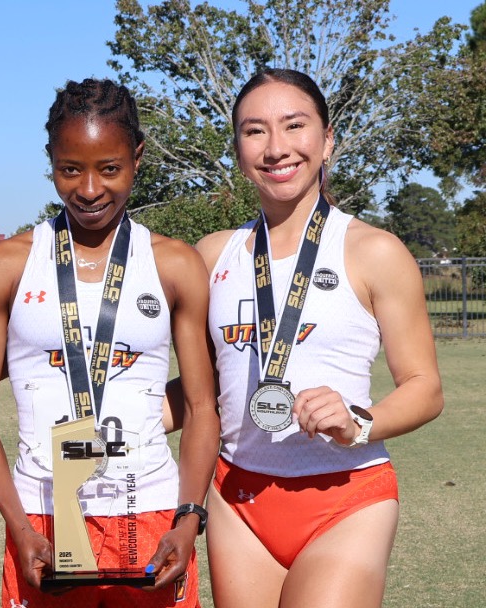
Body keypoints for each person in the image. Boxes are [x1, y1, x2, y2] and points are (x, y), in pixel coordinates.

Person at [0, 78, 220, 608]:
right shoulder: (7, 264)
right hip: (42, 517)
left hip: (149, 511)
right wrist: (18, 526)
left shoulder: (175, 264)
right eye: (70, 169)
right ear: (50, 160)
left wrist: (188, 517)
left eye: (110, 168)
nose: (90, 189)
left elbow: (201, 407)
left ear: (137, 158)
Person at [193, 68, 444, 607]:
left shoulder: (374, 250)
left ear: (327, 140)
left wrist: (359, 422)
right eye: (255, 130)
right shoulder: (212, 256)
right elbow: (201, 387)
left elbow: (425, 387)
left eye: (295, 126)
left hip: (345, 498)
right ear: (238, 148)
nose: (276, 148)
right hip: (239, 500)